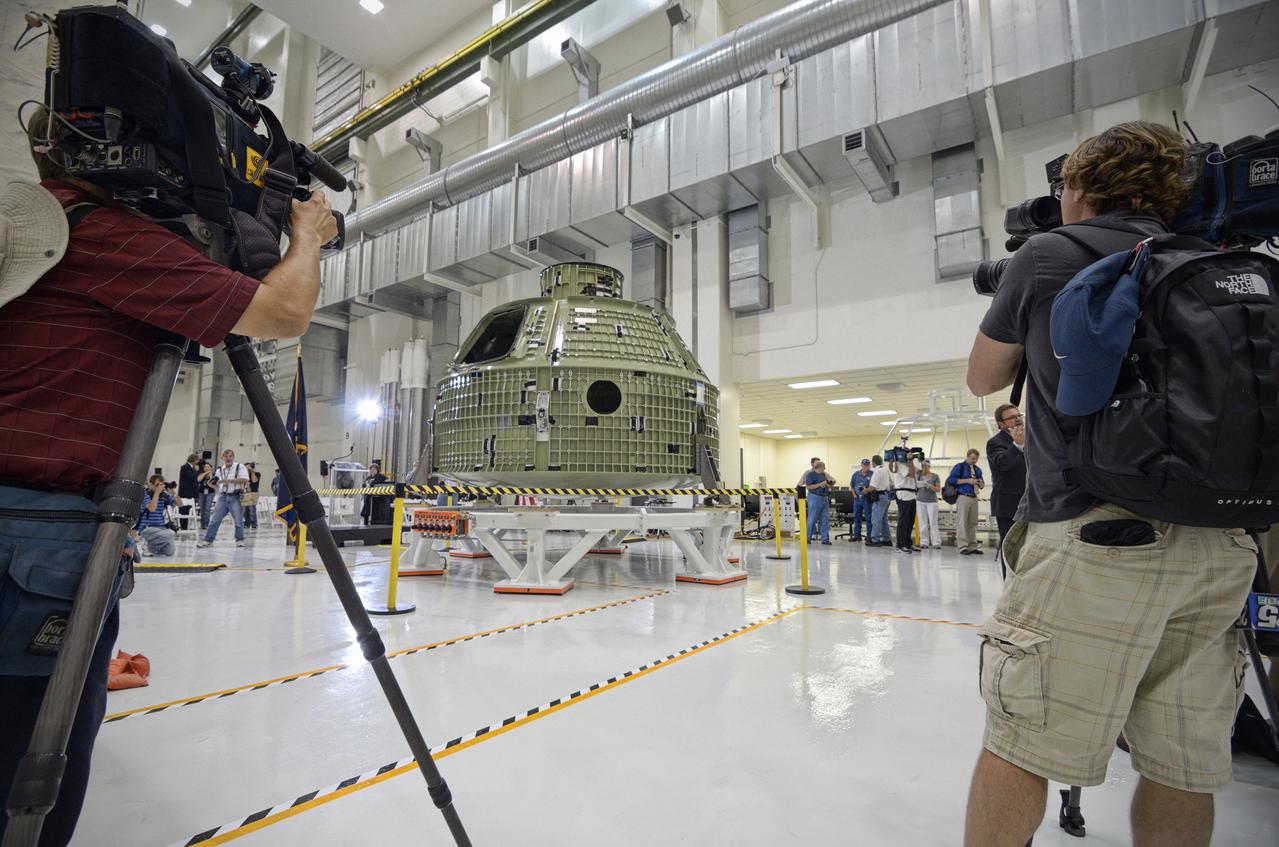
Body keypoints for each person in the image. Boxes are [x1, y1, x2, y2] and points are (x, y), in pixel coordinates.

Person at [0, 106, 335, 847]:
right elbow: (283, 310)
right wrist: (306, 236)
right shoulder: (102, 238)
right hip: (38, 543)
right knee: (28, 773)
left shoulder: (30, 232)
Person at [962, 121, 1256, 847]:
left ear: (1079, 189)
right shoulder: (1208, 258)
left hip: (1097, 542)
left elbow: (983, 377)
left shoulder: (1051, 253)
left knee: (1021, 740)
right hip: (1220, 549)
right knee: (1181, 764)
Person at [985, 404, 1027, 547]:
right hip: (1008, 505)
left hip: (1031, 502)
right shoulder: (995, 443)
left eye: (1018, 415)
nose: (1017, 419)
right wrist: (1017, 445)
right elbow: (1002, 464)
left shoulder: (1031, 438)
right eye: (1011, 417)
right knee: (1011, 547)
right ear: (1001, 424)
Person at [199, 450, 251, 548]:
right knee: (215, 519)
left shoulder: (239, 467)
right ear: (222, 457)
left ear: (233, 457)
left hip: (235, 496)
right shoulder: (220, 470)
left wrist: (227, 480)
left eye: (230, 456)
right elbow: (218, 486)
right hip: (222, 497)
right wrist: (212, 484)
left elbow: (245, 479)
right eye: (226, 456)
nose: (228, 458)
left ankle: (239, 540)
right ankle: (208, 540)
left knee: (238, 520)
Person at [947, 449, 985, 555]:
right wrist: (968, 481)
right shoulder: (959, 467)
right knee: (962, 522)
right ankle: (963, 546)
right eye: (973, 458)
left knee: (973, 523)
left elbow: (981, 481)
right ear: (967, 456)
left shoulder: (977, 469)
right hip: (963, 496)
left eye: (976, 459)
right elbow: (953, 480)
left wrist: (981, 483)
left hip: (974, 497)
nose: (974, 461)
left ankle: (973, 546)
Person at [137, 474, 180, 556]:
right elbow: (151, 508)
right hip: (147, 527)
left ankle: (149, 547)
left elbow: (179, 504)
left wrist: (173, 493)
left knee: (170, 551)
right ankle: (147, 545)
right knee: (171, 534)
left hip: (161, 527)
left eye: (161, 484)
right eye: (157, 485)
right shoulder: (145, 495)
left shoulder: (164, 495)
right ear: (151, 485)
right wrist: (157, 493)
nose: (159, 487)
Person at [890, 457, 918, 553]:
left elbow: (919, 473)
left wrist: (915, 461)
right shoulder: (900, 465)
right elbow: (911, 474)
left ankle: (907, 544)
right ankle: (900, 545)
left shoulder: (909, 464)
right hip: (903, 494)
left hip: (912, 494)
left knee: (910, 521)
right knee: (903, 521)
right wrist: (910, 462)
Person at [864, 455, 893, 547]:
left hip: (879, 497)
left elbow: (873, 487)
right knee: (883, 520)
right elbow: (891, 484)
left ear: (873, 462)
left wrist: (865, 490)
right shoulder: (886, 470)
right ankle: (887, 539)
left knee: (876, 519)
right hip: (886, 496)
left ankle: (875, 539)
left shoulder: (877, 472)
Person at [802, 460, 833, 545]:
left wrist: (828, 485)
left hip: (824, 498)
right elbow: (809, 487)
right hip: (815, 498)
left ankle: (825, 539)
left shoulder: (824, 475)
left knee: (825, 519)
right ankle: (807, 538)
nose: (825, 468)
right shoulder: (810, 475)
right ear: (819, 467)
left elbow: (830, 482)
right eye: (824, 467)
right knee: (812, 519)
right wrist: (820, 484)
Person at [916, 459, 942, 549]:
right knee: (923, 522)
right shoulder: (918, 476)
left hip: (932, 502)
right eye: (922, 466)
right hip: (920, 501)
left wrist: (929, 485)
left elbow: (938, 489)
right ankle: (924, 542)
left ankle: (936, 542)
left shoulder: (935, 476)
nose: (924, 468)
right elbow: (914, 486)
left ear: (929, 466)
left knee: (933, 522)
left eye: (925, 466)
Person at [848, 459, 873, 541]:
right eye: (864, 465)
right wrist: (854, 495)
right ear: (861, 465)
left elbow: (874, 486)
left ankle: (869, 536)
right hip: (857, 499)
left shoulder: (872, 474)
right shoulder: (856, 474)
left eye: (867, 465)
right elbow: (851, 486)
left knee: (869, 518)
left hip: (867, 499)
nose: (866, 467)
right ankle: (857, 536)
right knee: (857, 517)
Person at [361, 462, 391, 526]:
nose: (372, 470)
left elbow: (387, 482)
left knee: (370, 508)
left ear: (377, 470)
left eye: (374, 469)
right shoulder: (368, 478)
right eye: (371, 469)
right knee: (367, 506)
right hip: (367, 496)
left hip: (377, 497)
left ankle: (367, 516)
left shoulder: (380, 476)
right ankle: (365, 519)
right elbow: (364, 485)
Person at [177, 452, 199, 531]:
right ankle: (183, 526)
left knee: (189, 510)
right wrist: (198, 471)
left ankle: (187, 526)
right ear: (194, 460)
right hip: (185, 493)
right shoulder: (185, 467)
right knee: (184, 510)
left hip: (191, 493)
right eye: (197, 460)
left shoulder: (193, 468)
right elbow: (191, 477)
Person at [197, 461, 217, 529]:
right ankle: (202, 524)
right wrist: (205, 473)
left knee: (207, 508)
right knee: (202, 508)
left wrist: (210, 475)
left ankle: (206, 524)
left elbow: (215, 486)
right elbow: (198, 480)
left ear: (211, 468)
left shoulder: (214, 475)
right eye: (205, 467)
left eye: (208, 467)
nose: (206, 468)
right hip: (201, 492)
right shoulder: (201, 474)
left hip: (210, 493)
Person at [242, 462, 261, 531]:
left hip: (253, 493)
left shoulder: (257, 474)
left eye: (248, 467)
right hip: (245, 493)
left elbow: (254, 480)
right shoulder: (243, 475)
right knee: (245, 510)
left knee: (252, 509)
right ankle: (246, 524)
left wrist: (252, 471)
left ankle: (254, 524)